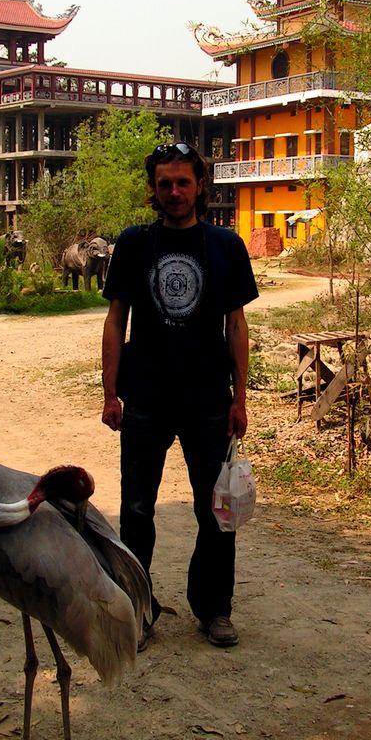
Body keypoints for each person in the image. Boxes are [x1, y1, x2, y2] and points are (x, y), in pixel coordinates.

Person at [101, 141, 259, 648]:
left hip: (208, 400)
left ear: (200, 187)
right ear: (154, 188)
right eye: (165, 183)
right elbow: (115, 320)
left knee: (215, 509)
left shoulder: (225, 248)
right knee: (137, 510)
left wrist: (239, 398)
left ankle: (215, 608)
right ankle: (137, 610)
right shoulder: (132, 244)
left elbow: (236, 324)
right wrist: (110, 392)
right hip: (145, 398)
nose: (173, 192)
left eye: (182, 182)